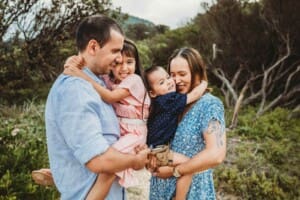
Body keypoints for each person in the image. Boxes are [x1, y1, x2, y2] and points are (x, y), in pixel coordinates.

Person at [43, 15, 149, 200]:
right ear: (93, 47)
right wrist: (135, 160)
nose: (118, 58)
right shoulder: (76, 89)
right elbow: (98, 160)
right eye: (115, 51)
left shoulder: (98, 83)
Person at [149, 47, 226, 200]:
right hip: (159, 191)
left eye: (182, 74)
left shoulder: (209, 105)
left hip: (193, 191)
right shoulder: (171, 101)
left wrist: (175, 171)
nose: (176, 80)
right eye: (172, 75)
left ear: (197, 72)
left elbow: (216, 154)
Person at [143, 66, 208, 200]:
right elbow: (194, 95)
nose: (169, 82)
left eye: (167, 77)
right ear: (153, 93)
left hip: (154, 150)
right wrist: (204, 83)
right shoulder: (168, 100)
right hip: (158, 151)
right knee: (188, 166)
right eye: (161, 82)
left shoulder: (157, 103)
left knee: (173, 170)